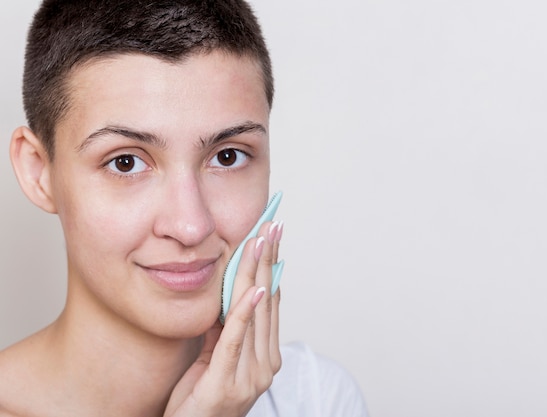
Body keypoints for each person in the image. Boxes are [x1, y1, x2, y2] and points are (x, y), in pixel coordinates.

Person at [0, 1, 370, 416]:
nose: (190, 226)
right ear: (38, 171)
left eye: (228, 157)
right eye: (126, 162)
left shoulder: (316, 399)